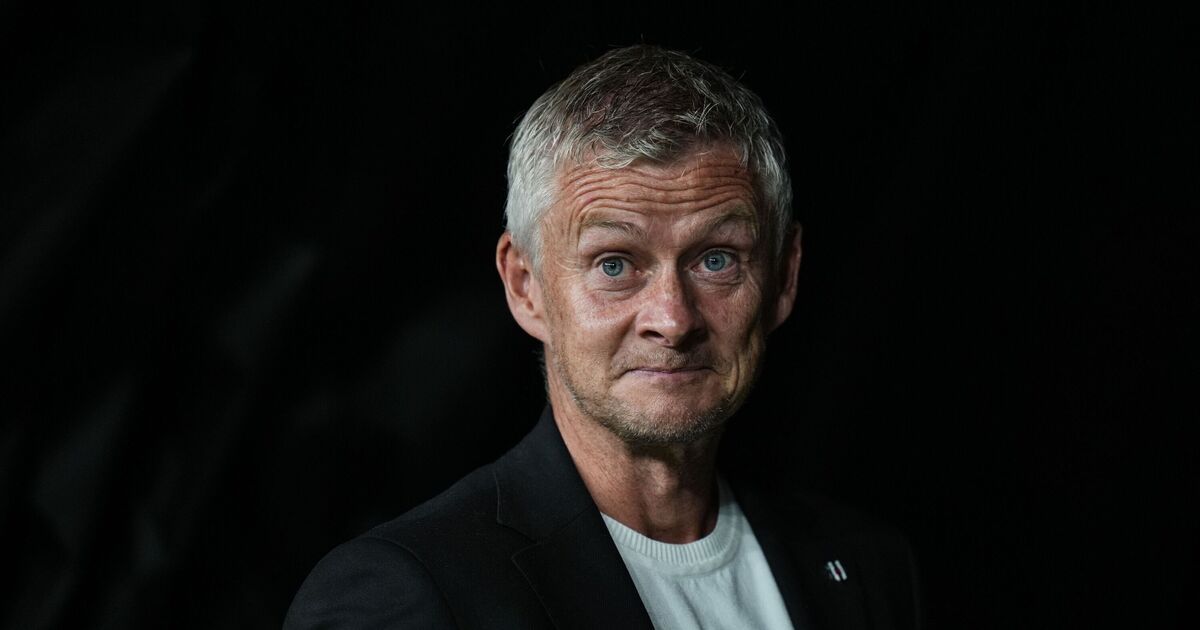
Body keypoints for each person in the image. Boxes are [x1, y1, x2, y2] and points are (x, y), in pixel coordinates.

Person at [284, 45, 920, 630]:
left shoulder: (869, 569)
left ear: (783, 278)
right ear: (526, 287)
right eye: (614, 264)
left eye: (716, 260)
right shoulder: (409, 593)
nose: (672, 319)